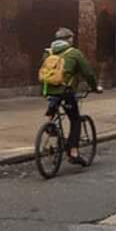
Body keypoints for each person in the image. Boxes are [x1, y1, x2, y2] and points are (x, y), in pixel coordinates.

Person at [39, 26, 100, 157]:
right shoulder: (74, 53)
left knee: (54, 103)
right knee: (75, 119)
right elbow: (88, 73)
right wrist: (95, 87)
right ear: (68, 39)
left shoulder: (48, 52)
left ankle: (50, 123)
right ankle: (73, 150)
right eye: (71, 38)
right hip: (66, 91)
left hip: (48, 89)